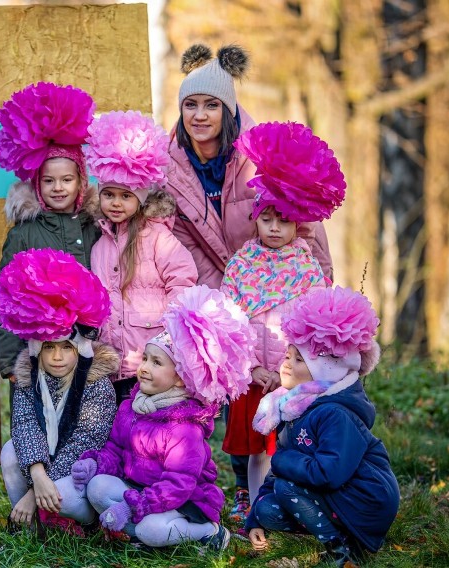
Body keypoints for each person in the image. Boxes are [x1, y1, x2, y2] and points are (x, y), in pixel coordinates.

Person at [165, 44, 336, 518]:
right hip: (224, 293)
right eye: (190, 105)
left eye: (212, 105)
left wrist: (322, 293)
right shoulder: (171, 163)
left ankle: (294, 485)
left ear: (230, 109)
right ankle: (227, 484)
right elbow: (183, 243)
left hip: (279, 285)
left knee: (289, 403)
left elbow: (303, 222)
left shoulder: (257, 157)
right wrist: (221, 305)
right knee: (237, 403)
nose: (200, 115)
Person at [219, 121, 345, 521]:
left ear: (297, 224)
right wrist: (250, 367)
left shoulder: (306, 265)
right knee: (250, 443)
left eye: (284, 221)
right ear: (256, 218)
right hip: (249, 374)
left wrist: (285, 371)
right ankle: (248, 496)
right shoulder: (241, 263)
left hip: (287, 376)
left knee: (282, 443)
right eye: (268, 219)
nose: (275, 228)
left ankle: (280, 499)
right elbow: (228, 321)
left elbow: (312, 327)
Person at [70, 285, 257, 550]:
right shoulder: (132, 406)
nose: (144, 368)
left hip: (184, 501)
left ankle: (207, 532)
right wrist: (96, 465)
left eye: (157, 363)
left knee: (151, 528)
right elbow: (115, 450)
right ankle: (143, 537)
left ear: (181, 379)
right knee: (98, 487)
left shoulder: (184, 428)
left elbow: (178, 484)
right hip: (141, 488)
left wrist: (133, 506)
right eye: (145, 358)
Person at [246, 287, 400, 567]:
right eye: (288, 356)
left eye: (299, 359)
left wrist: (280, 459)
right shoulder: (293, 405)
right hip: (334, 497)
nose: (286, 365)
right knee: (268, 509)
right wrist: (254, 517)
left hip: (365, 499)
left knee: (286, 487)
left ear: (325, 369)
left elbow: (329, 473)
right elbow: (282, 471)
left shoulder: (335, 413)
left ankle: (340, 549)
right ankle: (332, 529)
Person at [0, 248, 119, 534]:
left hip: (78, 473)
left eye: (66, 348)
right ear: (38, 350)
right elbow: (24, 426)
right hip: (44, 472)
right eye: (49, 347)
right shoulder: (29, 379)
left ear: (81, 350)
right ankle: (32, 524)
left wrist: (32, 493)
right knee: (11, 451)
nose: (57, 357)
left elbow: (86, 442)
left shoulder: (96, 384)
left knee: (63, 496)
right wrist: (37, 476)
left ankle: (81, 523)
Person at [0, 82, 101, 381]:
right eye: (49, 181)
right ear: (37, 184)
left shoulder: (96, 228)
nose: (58, 188)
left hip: (90, 352)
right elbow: (3, 297)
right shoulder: (24, 234)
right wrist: (12, 362)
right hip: (36, 355)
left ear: (80, 182)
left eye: (67, 179)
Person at [85, 110, 198, 405]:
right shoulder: (99, 246)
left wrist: (169, 337)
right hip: (113, 364)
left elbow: (183, 281)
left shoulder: (158, 237)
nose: (116, 203)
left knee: (150, 423)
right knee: (121, 430)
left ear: (140, 197)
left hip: (150, 359)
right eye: (109, 194)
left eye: (125, 196)